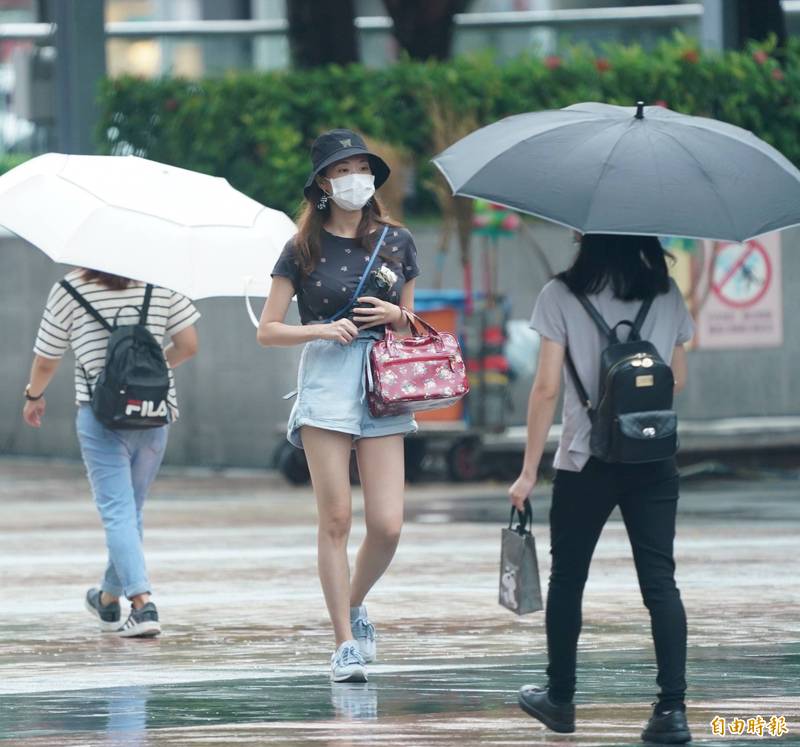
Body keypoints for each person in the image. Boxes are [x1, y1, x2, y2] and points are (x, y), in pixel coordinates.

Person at [508, 234, 694, 744]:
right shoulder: (666, 292)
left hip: (583, 458)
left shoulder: (561, 295)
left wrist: (528, 471)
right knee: (661, 583)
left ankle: (561, 700)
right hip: (653, 458)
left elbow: (546, 387)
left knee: (568, 580)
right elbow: (676, 378)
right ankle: (672, 712)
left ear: (585, 237)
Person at [257, 129, 419, 683]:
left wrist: (396, 317)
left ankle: (353, 601)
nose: (356, 176)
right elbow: (268, 330)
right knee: (336, 519)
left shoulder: (397, 241)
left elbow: (414, 322)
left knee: (388, 524)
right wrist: (322, 330)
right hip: (326, 376)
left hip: (383, 380)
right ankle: (344, 643)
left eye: (362, 166)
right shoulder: (301, 248)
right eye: (344, 168)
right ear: (324, 182)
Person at [23, 268, 200, 637]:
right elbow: (188, 345)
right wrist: (146, 373)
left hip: (102, 414)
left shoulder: (70, 288)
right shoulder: (162, 282)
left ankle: (142, 605)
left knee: (118, 512)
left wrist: (34, 395)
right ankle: (107, 597)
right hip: (154, 413)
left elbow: (46, 358)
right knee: (129, 512)